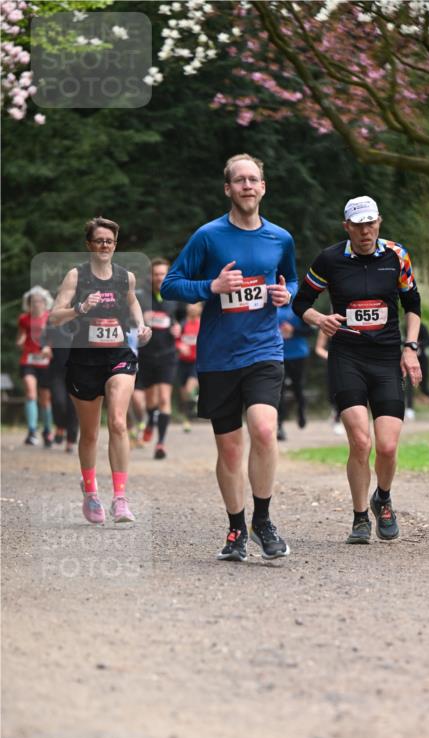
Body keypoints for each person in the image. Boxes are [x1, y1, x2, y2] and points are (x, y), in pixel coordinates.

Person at [161, 153, 297, 562]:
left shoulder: (280, 238)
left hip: (264, 350)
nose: (247, 186)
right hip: (218, 357)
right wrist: (212, 285)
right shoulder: (208, 236)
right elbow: (170, 286)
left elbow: (289, 277)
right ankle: (236, 527)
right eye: (239, 180)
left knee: (264, 429)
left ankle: (264, 520)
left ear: (263, 186)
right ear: (228, 189)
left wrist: (286, 295)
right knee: (231, 451)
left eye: (253, 179)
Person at [292, 195, 422, 544]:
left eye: (371, 223)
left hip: (385, 359)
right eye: (359, 225)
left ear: (379, 222)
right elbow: (300, 301)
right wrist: (319, 318)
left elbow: (412, 303)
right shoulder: (330, 259)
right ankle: (360, 516)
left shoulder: (397, 255)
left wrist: (410, 349)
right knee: (361, 441)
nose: (366, 231)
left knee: (388, 446)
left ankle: (383, 497)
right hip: (347, 358)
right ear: (347, 226)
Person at [49, 216, 151, 525]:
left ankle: (120, 498)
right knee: (90, 433)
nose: (104, 245)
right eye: (99, 240)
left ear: (115, 245)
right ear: (89, 244)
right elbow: (55, 317)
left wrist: (141, 324)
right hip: (84, 360)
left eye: (109, 241)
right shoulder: (76, 277)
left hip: (119, 356)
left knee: (118, 422)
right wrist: (80, 308)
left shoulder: (125, 277)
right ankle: (91, 491)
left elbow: (132, 303)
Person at [135, 258, 183, 458]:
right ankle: (150, 421)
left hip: (167, 355)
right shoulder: (141, 296)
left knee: (164, 398)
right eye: (155, 274)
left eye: (162, 273)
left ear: (168, 274)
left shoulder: (175, 296)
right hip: (146, 355)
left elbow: (182, 318)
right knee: (150, 401)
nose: (159, 277)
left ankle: (160, 444)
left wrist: (179, 327)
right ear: (150, 276)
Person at [16, 286, 54, 446]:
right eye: (33, 301)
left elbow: (56, 338)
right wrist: (20, 341)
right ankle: (32, 431)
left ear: (45, 303)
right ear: (29, 303)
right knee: (31, 394)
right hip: (28, 360)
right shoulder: (24, 319)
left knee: (45, 400)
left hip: (45, 362)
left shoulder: (51, 318)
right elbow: (21, 336)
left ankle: (47, 430)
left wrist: (48, 347)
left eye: (39, 301)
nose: (36, 304)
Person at [277, 303, 311, 441]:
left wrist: (293, 331)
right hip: (278, 355)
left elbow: (310, 331)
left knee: (298, 387)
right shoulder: (270, 308)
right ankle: (279, 426)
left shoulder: (298, 308)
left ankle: (301, 411)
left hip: (298, 355)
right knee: (280, 391)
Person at [44, 319, 79, 453]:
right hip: (57, 370)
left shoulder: (83, 317)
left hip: (77, 370)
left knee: (73, 406)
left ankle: (70, 440)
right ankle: (60, 426)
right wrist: (46, 347)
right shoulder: (53, 320)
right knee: (58, 402)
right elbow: (45, 339)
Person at [176, 301, 202, 432]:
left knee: (189, 387)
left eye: (195, 305)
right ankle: (186, 419)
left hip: (197, 362)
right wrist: (179, 345)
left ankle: (198, 399)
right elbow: (176, 339)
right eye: (190, 305)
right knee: (183, 394)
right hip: (182, 362)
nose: (192, 307)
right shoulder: (182, 324)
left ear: (199, 308)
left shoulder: (203, 323)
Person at [314, 329, 344, 435]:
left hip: (353, 363)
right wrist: (331, 357)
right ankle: (336, 419)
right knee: (336, 392)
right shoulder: (326, 325)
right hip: (335, 364)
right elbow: (319, 348)